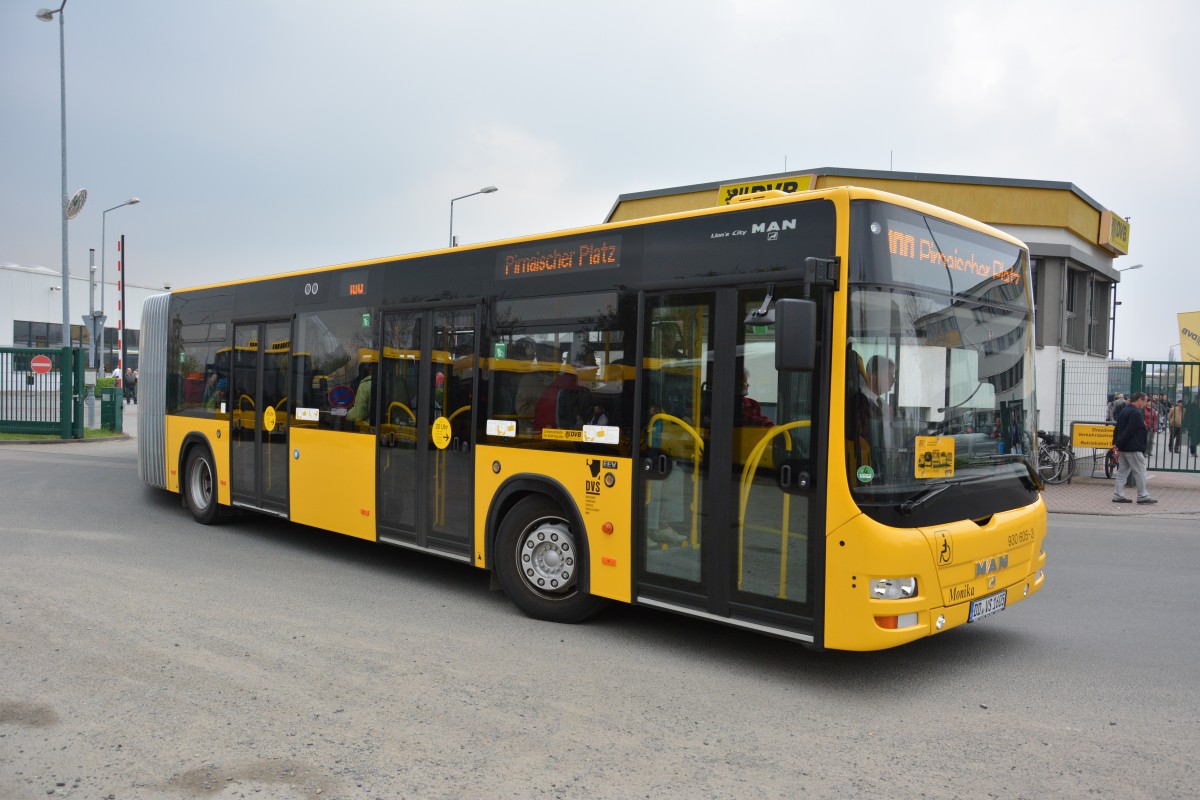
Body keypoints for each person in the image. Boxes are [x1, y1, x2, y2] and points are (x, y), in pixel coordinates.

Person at [1112, 391, 1156, 504]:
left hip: (1123, 448)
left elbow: (1117, 428)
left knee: (1122, 472)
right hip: (1133, 447)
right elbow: (1129, 431)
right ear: (1139, 400)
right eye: (1145, 401)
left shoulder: (1124, 410)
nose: (1146, 403)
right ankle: (1143, 496)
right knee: (1140, 472)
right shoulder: (1135, 413)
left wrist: (1116, 444)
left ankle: (1118, 495)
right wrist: (1118, 444)